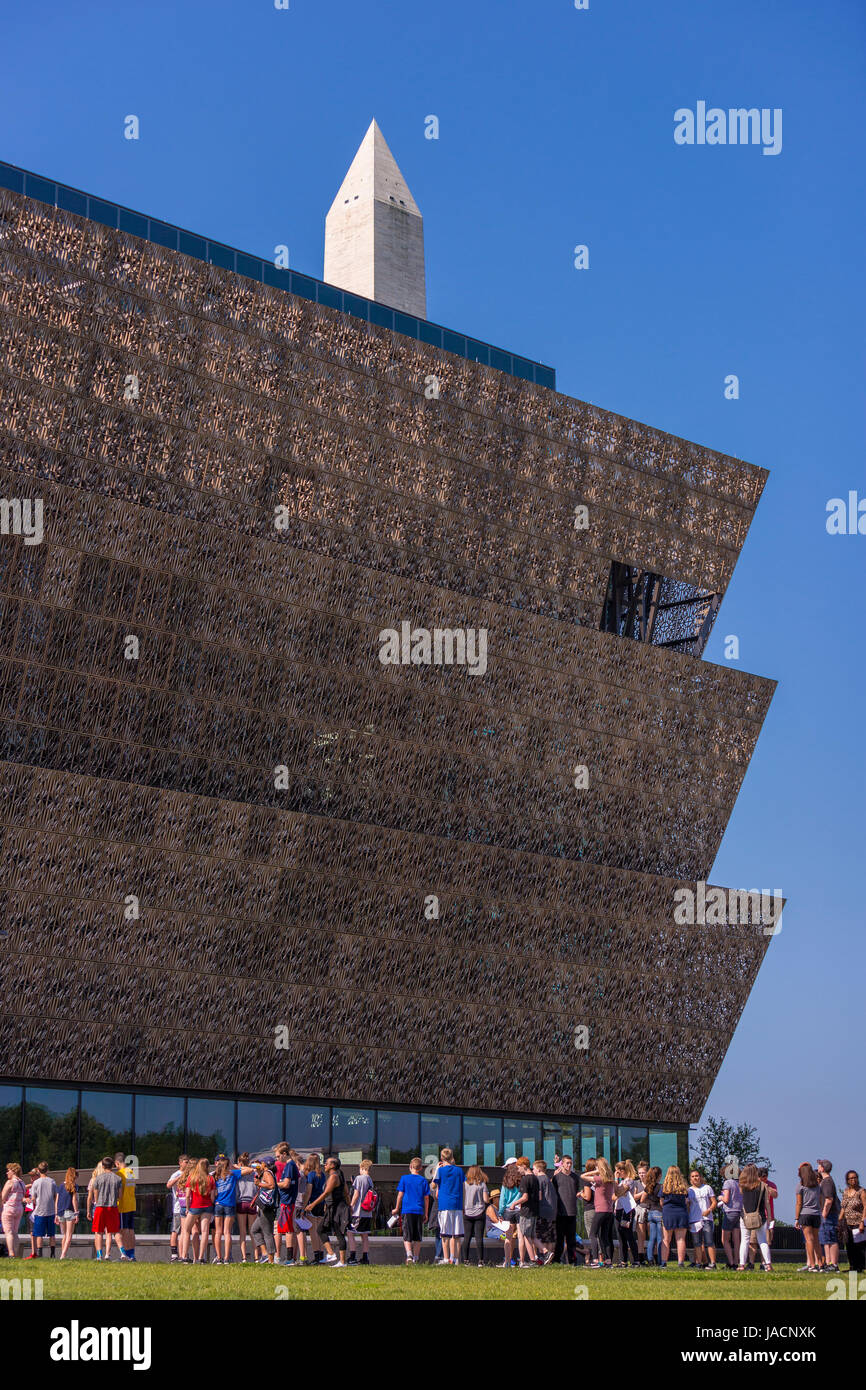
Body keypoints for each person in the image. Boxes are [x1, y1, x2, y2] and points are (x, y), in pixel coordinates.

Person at [306, 1157, 350, 1267]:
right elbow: (346, 1193)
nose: (324, 1165)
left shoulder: (334, 1177)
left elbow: (325, 1193)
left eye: (326, 1163)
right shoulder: (337, 1176)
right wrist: (349, 1206)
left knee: (337, 1233)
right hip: (333, 1207)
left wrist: (312, 1204)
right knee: (322, 1229)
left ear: (333, 1165)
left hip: (337, 1208)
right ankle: (333, 1255)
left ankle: (339, 1260)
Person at [213, 1153, 254, 1264]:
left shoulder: (215, 1175)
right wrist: (236, 1167)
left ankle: (219, 1257)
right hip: (230, 1205)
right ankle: (226, 1258)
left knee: (218, 1232)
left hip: (218, 1205)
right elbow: (250, 1170)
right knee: (227, 1232)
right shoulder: (233, 1174)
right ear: (228, 1165)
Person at [579, 1157, 620, 1268]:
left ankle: (596, 1260)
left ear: (600, 1167)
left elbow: (582, 1176)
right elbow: (617, 1192)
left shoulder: (599, 1178)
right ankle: (608, 1260)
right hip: (609, 1211)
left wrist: (596, 1171)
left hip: (600, 1210)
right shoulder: (610, 1179)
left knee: (593, 1234)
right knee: (605, 1236)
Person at [393, 1157, 431, 1264]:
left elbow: (400, 1195)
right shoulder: (423, 1180)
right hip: (419, 1210)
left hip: (407, 1210)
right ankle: (416, 1258)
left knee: (407, 1234)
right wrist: (426, 1213)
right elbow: (426, 1198)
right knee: (417, 1236)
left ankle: (409, 1255)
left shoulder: (404, 1178)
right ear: (421, 1168)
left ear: (410, 1167)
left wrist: (396, 1208)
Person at [431, 1148, 465, 1266]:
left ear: (441, 1158)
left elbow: (433, 1185)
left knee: (445, 1234)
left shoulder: (441, 1171)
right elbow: (463, 1188)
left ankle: (446, 1259)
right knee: (456, 1234)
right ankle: (455, 1259)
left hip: (445, 1205)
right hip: (457, 1204)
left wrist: (436, 1170)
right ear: (452, 1157)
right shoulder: (459, 1171)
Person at [738, 1164, 772, 1272]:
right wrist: (769, 1217)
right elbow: (767, 1203)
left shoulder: (742, 1185)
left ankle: (742, 1265)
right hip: (760, 1216)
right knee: (763, 1241)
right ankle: (768, 1265)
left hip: (745, 1217)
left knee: (744, 1240)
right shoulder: (763, 1185)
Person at [182, 1157, 216, 1264]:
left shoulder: (192, 1177)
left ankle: (184, 1256)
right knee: (205, 1232)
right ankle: (201, 1257)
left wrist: (188, 1208)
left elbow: (187, 1196)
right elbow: (212, 1197)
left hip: (195, 1207)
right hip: (207, 1207)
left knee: (186, 1230)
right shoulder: (210, 1178)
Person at [90, 1156, 122, 1261]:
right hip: (112, 1207)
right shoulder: (118, 1178)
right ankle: (123, 1253)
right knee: (114, 1231)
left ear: (103, 1166)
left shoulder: (98, 1178)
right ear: (112, 1166)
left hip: (100, 1207)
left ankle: (99, 1255)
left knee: (98, 1232)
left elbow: (95, 1195)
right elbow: (120, 1195)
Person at [274, 1144, 300, 1266]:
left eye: (278, 1156)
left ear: (285, 1154)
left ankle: (290, 1259)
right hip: (288, 1201)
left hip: (287, 1201)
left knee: (288, 1229)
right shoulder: (291, 1165)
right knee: (287, 1228)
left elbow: (286, 1184)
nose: (277, 1159)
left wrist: (275, 1183)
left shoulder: (289, 1165)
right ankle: (290, 1258)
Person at [795, 1162, 822, 1272]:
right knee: (816, 1240)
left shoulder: (800, 1185)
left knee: (809, 1240)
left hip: (805, 1214)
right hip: (816, 1214)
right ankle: (820, 1264)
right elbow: (820, 1201)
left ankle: (811, 1264)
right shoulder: (817, 1185)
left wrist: (796, 1218)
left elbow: (799, 1203)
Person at [513, 1155, 541, 1268]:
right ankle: (544, 1252)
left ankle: (533, 1259)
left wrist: (514, 1204)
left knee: (526, 1235)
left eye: (519, 1167)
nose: (518, 1170)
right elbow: (539, 1196)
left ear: (524, 1166)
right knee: (532, 1235)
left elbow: (525, 1197)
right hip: (534, 1210)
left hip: (526, 1211)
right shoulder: (535, 1178)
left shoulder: (525, 1179)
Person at [660, 1165, 689, 1268]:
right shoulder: (684, 1187)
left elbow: (661, 1202)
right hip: (681, 1213)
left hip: (668, 1213)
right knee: (680, 1239)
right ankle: (680, 1262)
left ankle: (664, 1262)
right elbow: (687, 1201)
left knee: (666, 1239)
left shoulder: (664, 1187)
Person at [348, 1159, 376, 1265]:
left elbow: (356, 1194)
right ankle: (365, 1257)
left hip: (358, 1212)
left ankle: (352, 1256)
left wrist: (351, 1205)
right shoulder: (370, 1180)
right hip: (367, 1213)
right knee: (364, 1235)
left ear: (363, 1168)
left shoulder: (359, 1178)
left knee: (350, 1233)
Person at [687, 1169, 717, 1269]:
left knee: (709, 1242)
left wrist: (709, 1210)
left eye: (697, 1176)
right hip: (694, 1219)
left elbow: (714, 1202)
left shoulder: (707, 1188)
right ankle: (699, 1263)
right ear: (690, 1179)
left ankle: (713, 1263)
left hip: (706, 1218)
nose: (695, 1178)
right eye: (693, 1176)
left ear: (700, 1177)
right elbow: (688, 1205)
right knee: (697, 1243)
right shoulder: (689, 1190)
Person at [27, 1161, 57, 1260]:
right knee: (51, 1234)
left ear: (38, 1171)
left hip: (39, 1211)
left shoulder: (36, 1182)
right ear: (47, 1170)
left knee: (39, 1234)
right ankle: (52, 1254)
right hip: (51, 1211)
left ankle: (40, 1254)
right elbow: (55, 1195)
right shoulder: (52, 1181)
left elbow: (33, 1197)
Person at [250, 1161, 279, 1264]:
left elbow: (271, 1185)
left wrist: (259, 1183)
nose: (259, 1165)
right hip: (263, 1207)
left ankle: (271, 1260)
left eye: (261, 1163)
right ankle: (265, 1254)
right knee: (254, 1230)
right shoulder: (264, 1173)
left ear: (265, 1164)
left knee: (267, 1233)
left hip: (267, 1208)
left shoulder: (267, 1172)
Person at [552, 1154, 579, 1265]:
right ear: (562, 1164)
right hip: (560, 1212)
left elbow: (576, 1191)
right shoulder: (557, 1177)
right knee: (559, 1238)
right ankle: (557, 1260)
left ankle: (572, 1261)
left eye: (570, 1163)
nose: (569, 1165)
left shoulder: (575, 1177)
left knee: (571, 1239)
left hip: (572, 1212)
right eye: (567, 1163)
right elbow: (552, 1193)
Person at [839, 1170, 866, 1275]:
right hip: (847, 1222)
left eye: (855, 1177)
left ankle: (860, 1267)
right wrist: (839, 1220)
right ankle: (852, 1266)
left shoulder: (861, 1191)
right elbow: (843, 1207)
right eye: (851, 1178)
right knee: (849, 1246)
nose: (853, 1180)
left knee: (859, 1246)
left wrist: (862, 1222)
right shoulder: (846, 1191)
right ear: (847, 1180)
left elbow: (865, 1207)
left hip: (858, 1222)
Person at [462, 1165, 490, 1267]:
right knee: (479, 1237)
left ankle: (465, 1260)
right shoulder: (482, 1185)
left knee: (467, 1237)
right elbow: (486, 1200)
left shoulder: (464, 1184)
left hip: (467, 1213)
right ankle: (480, 1261)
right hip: (479, 1212)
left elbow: (462, 1198)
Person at [498, 1162, 523, 1268]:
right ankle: (522, 1261)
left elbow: (502, 1200)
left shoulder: (505, 1184)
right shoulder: (521, 1182)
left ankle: (507, 1261)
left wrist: (500, 1212)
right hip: (519, 1210)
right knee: (521, 1237)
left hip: (508, 1211)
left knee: (508, 1238)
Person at [817, 1159, 840, 1273]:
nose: (818, 1167)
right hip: (827, 1215)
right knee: (826, 1239)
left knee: (831, 1238)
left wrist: (824, 1214)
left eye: (819, 1165)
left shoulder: (827, 1181)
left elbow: (829, 1199)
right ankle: (828, 1262)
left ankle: (834, 1263)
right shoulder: (826, 1181)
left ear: (823, 1168)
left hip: (829, 1215)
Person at [718, 1162, 743, 1269]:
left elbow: (726, 1199)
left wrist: (720, 1197)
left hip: (729, 1212)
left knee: (725, 1239)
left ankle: (731, 1262)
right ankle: (737, 1262)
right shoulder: (740, 1183)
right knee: (736, 1240)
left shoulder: (727, 1183)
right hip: (739, 1212)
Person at [614, 1160, 639, 1267]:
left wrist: (615, 1180)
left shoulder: (629, 1181)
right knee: (621, 1237)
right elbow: (614, 1195)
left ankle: (636, 1260)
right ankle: (623, 1260)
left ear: (622, 1171)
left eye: (617, 1171)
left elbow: (618, 1192)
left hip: (626, 1211)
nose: (616, 1173)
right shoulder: (621, 1182)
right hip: (618, 1210)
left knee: (629, 1235)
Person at [533, 1159, 557, 1265]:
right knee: (550, 1237)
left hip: (542, 1211)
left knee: (541, 1236)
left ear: (538, 1169)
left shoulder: (539, 1179)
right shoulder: (548, 1179)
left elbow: (539, 1196)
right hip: (552, 1211)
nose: (533, 1171)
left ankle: (544, 1258)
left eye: (533, 1169)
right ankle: (550, 1258)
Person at [167, 1156, 190, 1262]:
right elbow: (168, 1185)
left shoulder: (189, 1173)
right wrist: (178, 1178)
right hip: (178, 1207)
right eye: (186, 1162)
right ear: (180, 1163)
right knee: (176, 1230)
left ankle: (183, 1253)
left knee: (185, 1231)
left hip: (187, 1206)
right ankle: (174, 1254)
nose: (187, 1163)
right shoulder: (176, 1174)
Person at [114, 1152, 136, 1262]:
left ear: (117, 1163)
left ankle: (126, 1254)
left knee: (123, 1230)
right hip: (132, 1204)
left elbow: (120, 1192)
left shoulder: (119, 1175)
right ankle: (132, 1254)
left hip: (123, 1205)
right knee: (131, 1230)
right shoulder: (131, 1172)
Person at [2, 1162, 25, 1258]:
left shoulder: (10, 1182)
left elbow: (3, 1196)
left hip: (9, 1208)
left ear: (13, 1171)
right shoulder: (22, 1183)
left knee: (9, 1232)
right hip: (19, 1208)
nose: (7, 1173)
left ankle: (11, 1253)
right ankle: (16, 1254)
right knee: (15, 1232)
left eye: (8, 1171)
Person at [55, 1168, 79, 1259]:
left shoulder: (61, 1186)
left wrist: (56, 1214)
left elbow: (57, 1201)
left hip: (60, 1212)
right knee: (69, 1235)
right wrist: (76, 1213)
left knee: (64, 1235)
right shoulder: (74, 1186)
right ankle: (63, 1255)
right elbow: (74, 1200)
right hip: (70, 1211)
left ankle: (63, 1254)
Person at [757, 1168, 778, 1250]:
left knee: (769, 1238)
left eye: (766, 1176)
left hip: (769, 1216)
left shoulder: (771, 1185)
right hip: (757, 1215)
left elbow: (775, 1195)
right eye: (762, 1176)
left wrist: (767, 1187)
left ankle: (765, 1261)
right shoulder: (754, 1185)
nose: (764, 1178)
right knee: (755, 1240)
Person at [634, 1160, 649, 1264]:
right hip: (639, 1210)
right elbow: (634, 1197)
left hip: (651, 1209)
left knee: (652, 1234)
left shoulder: (651, 1183)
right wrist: (643, 1192)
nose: (641, 1175)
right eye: (639, 1173)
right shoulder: (636, 1183)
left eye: (643, 1172)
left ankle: (653, 1256)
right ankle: (641, 1257)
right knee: (641, 1235)